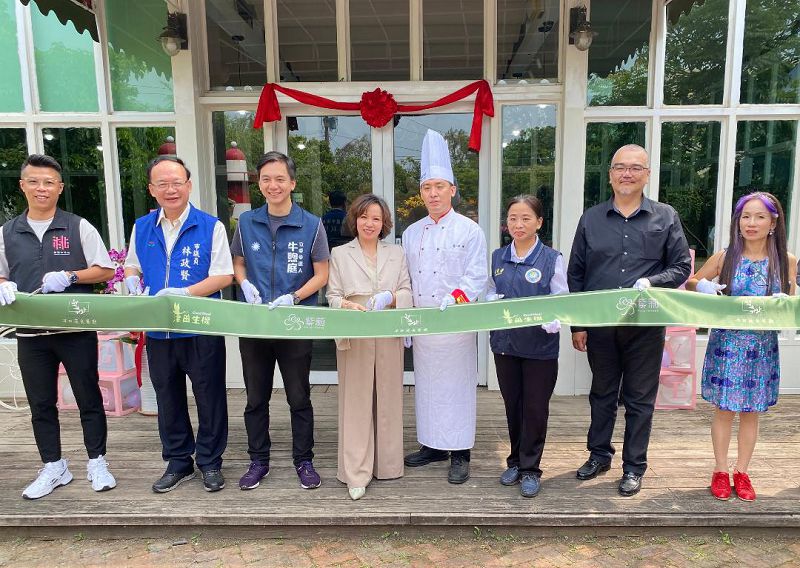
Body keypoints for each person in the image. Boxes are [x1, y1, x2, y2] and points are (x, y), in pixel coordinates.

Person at [567, 144, 691, 497]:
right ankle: (599, 455)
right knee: (602, 394)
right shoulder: (591, 218)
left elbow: (681, 266)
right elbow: (576, 272)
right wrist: (579, 323)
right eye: (620, 167)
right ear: (610, 174)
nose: (627, 173)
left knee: (639, 399)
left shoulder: (665, 216)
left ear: (647, 174)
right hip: (601, 325)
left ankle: (634, 467)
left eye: (635, 168)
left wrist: (653, 281)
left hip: (645, 326)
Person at [0, 154, 116, 500]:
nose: (41, 188)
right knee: (41, 403)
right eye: (34, 181)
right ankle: (53, 466)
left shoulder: (77, 226)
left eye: (49, 182)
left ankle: (97, 461)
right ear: (22, 186)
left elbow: (105, 270)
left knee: (88, 397)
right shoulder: (8, 232)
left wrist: (70, 276)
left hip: (73, 330)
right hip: (31, 333)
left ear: (60, 188)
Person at [124, 156, 233, 494]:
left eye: (176, 182)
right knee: (167, 397)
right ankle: (178, 462)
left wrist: (184, 292)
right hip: (159, 329)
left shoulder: (210, 225)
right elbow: (131, 266)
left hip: (200, 327)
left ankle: (210, 462)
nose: (170, 189)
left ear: (188, 185)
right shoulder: (143, 227)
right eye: (162, 184)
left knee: (209, 397)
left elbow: (223, 275)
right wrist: (131, 282)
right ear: (152, 189)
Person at [687, 191, 795, 502]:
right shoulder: (725, 257)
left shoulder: (786, 260)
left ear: (773, 222)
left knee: (751, 412)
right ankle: (721, 470)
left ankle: (742, 471)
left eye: (760, 216)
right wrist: (703, 286)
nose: (751, 223)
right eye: (746, 216)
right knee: (724, 410)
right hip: (727, 345)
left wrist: (787, 301)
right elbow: (692, 282)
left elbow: (793, 299)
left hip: (761, 348)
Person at [232, 151, 329, 491]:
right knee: (255, 398)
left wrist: (296, 296)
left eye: (279, 179)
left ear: (292, 183)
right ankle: (258, 460)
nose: (273, 185)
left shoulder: (312, 225)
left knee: (298, 397)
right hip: (255, 323)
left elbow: (322, 274)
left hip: (294, 323)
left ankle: (304, 460)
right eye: (266, 179)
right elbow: (238, 262)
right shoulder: (246, 222)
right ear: (259, 184)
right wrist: (243, 283)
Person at [402, 129, 488, 484]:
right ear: (421, 192)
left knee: (457, 387)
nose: (433, 193)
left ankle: (460, 450)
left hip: (454, 326)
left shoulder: (470, 230)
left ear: (452, 189)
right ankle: (432, 444)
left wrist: (456, 300)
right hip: (423, 327)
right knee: (427, 387)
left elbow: (476, 277)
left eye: (439, 186)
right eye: (426, 188)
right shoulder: (410, 233)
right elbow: (403, 278)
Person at [326, 194, 412, 500]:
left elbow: (407, 291)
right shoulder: (339, 253)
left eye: (376, 218)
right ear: (355, 219)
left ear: (384, 222)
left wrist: (390, 297)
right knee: (356, 402)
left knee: (388, 398)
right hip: (355, 332)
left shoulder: (397, 253)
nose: (369, 223)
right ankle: (355, 472)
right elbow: (332, 295)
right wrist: (344, 304)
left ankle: (387, 465)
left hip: (387, 330)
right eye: (364, 217)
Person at [488, 195, 566, 498]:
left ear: (539, 223)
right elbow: (490, 292)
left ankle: (532, 469)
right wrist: (489, 301)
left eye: (525, 218)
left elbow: (561, 298)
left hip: (539, 348)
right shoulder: (498, 257)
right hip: (505, 345)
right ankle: (515, 462)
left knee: (535, 409)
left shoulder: (551, 258)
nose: (518, 224)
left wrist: (555, 318)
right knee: (513, 406)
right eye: (512, 218)